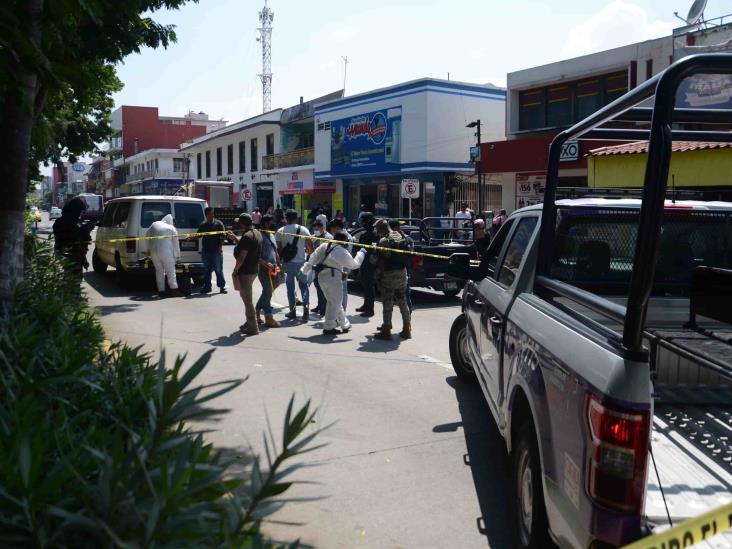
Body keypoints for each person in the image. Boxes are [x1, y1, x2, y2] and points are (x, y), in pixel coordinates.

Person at [302, 233, 368, 335]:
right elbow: (354, 265)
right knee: (334, 302)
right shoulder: (341, 251)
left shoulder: (325, 245)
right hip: (333, 279)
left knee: (335, 301)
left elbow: (312, 258)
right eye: (346, 241)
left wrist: (305, 270)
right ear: (343, 240)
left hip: (321, 277)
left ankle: (345, 324)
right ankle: (329, 327)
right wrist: (361, 253)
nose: (347, 243)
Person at [371, 219, 411, 340]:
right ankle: (407, 328)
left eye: (377, 229)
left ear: (381, 229)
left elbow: (374, 260)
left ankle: (386, 330)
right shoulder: (402, 236)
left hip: (388, 275)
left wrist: (374, 251)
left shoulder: (383, 241)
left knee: (387, 302)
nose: (376, 232)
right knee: (402, 301)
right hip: (402, 273)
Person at [276, 210, 314, 321]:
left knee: (290, 288)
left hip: (287, 263)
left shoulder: (280, 231)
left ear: (285, 218)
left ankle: (292, 311)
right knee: (304, 286)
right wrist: (311, 260)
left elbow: (279, 249)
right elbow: (311, 247)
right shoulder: (303, 229)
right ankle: (306, 309)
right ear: (296, 218)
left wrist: (279, 263)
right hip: (301, 263)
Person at [231, 213, 262, 335]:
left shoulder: (247, 237)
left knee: (247, 300)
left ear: (242, 224)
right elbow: (248, 247)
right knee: (246, 298)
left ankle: (253, 327)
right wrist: (235, 239)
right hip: (254, 270)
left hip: (246, 272)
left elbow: (242, 257)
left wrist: (235, 270)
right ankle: (249, 322)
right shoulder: (256, 233)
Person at [52, 196, 94, 281]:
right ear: (75, 210)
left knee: (75, 279)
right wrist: (88, 227)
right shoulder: (62, 222)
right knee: (71, 280)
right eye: (80, 211)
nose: (81, 213)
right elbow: (74, 235)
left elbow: (83, 239)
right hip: (68, 256)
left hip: (76, 256)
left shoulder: (75, 221)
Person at [145, 214, 182, 298]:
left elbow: (146, 236)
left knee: (159, 271)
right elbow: (176, 244)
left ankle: (161, 291)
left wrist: (148, 250)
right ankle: (174, 290)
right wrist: (178, 256)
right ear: (171, 222)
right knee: (170, 271)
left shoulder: (154, 224)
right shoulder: (171, 228)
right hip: (166, 252)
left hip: (154, 252)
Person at [193, 207, 227, 294]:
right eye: (211, 213)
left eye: (213, 213)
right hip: (206, 251)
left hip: (216, 251)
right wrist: (191, 238)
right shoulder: (203, 225)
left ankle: (222, 287)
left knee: (218, 270)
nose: (213, 215)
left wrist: (220, 247)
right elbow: (198, 235)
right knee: (207, 271)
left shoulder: (218, 224)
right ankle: (207, 287)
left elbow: (223, 236)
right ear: (207, 215)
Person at [255, 214, 280, 328]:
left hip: (274, 268)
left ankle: (257, 309)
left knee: (268, 291)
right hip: (263, 269)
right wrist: (265, 263)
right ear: (265, 223)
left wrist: (279, 264)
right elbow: (254, 254)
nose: (273, 224)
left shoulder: (271, 235)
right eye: (271, 222)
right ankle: (268, 318)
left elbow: (275, 251)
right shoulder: (259, 236)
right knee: (268, 292)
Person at [389, 219, 414, 313]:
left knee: (404, 296)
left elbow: (410, 253)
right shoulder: (390, 238)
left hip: (401, 271)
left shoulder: (405, 239)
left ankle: (407, 320)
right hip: (394, 271)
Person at [355, 213, 378, 317]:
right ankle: (366, 305)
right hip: (363, 262)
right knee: (364, 284)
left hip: (370, 263)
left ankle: (370, 309)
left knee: (369, 286)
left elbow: (373, 250)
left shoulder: (373, 234)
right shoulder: (365, 234)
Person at [329, 217, 354, 311]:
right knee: (337, 289)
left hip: (343, 266)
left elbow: (342, 253)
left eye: (332, 227)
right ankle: (338, 310)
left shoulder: (344, 236)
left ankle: (342, 310)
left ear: (336, 227)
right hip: (339, 265)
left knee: (342, 289)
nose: (331, 230)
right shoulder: (339, 235)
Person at [310, 219, 332, 316]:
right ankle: (320, 305)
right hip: (316, 265)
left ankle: (324, 308)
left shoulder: (329, 237)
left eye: (317, 229)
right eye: (314, 229)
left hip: (325, 265)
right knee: (318, 286)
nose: (316, 231)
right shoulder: (314, 237)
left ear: (322, 228)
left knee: (324, 288)